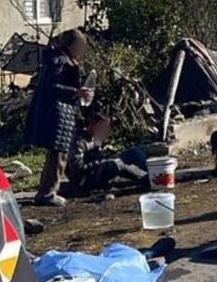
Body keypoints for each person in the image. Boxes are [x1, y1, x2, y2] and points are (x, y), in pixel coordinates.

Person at [26, 28, 91, 206]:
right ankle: (48, 193)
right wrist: (76, 92)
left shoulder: (61, 59)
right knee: (58, 155)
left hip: (62, 112)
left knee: (58, 154)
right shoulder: (59, 61)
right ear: (71, 45)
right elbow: (52, 87)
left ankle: (47, 191)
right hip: (57, 113)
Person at [67, 115, 149, 195]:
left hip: (99, 168)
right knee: (116, 164)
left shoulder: (96, 137)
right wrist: (101, 162)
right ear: (94, 125)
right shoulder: (79, 142)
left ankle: (150, 172)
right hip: (84, 179)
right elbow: (78, 169)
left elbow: (98, 156)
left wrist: (107, 155)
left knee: (134, 153)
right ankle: (145, 179)